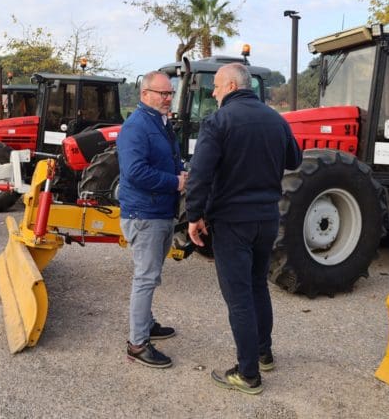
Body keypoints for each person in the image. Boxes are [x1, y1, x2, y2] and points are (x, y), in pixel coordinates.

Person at [186, 62, 302, 394]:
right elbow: (294, 159)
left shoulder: (218, 122)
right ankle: (263, 353)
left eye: (218, 87)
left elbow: (200, 173)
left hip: (232, 221)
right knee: (257, 286)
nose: (214, 92)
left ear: (233, 87)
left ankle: (248, 373)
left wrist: (194, 216)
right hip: (266, 218)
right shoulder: (276, 120)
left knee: (238, 297)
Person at [117, 70, 187, 369]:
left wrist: (182, 170)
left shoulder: (160, 123)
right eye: (162, 93)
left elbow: (169, 158)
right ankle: (137, 344)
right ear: (145, 94)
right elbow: (135, 172)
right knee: (145, 278)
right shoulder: (136, 127)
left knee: (152, 274)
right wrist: (176, 182)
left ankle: (146, 325)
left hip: (159, 212)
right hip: (144, 214)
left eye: (170, 93)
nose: (168, 98)